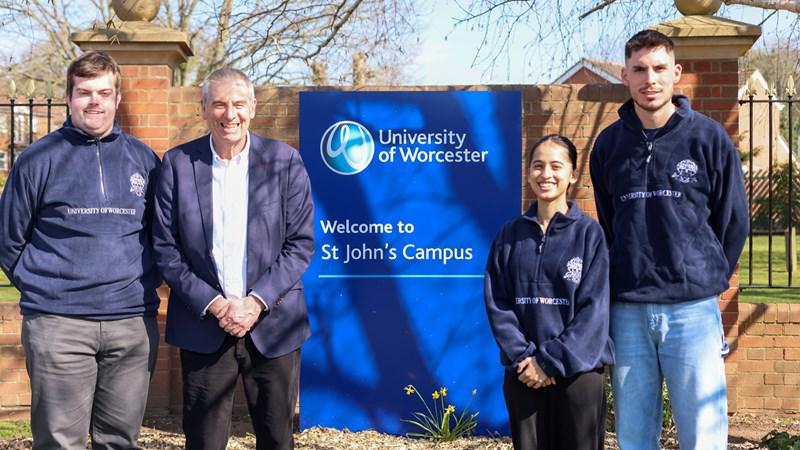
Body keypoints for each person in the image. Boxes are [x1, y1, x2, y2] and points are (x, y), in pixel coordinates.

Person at [589, 29, 748, 450]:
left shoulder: (709, 138)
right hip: (628, 310)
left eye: (659, 68)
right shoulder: (607, 146)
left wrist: (704, 272)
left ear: (676, 73)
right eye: (639, 69)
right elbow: (609, 223)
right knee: (634, 435)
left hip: (692, 311)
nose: (650, 79)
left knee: (703, 435)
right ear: (624, 75)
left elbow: (733, 221)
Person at [0, 51, 161, 449]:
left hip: (130, 325)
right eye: (84, 92)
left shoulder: (144, 159)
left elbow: (161, 237)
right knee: (59, 441)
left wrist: (140, 286)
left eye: (104, 92)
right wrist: (46, 289)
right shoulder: (37, 159)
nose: (95, 101)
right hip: (59, 324)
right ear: (69, 97)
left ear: (117, 99)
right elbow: (9, 240)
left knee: (120, 441)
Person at [152, 68, 314, 450]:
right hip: (204, 324)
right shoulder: (177, 164)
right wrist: (216, 304)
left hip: (274, 325)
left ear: (253, 108)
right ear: (204, 108)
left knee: (277, 439)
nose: (230, 114)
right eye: (220, 104)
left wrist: (255, 302)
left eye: (238, 104)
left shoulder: (284, 162)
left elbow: (300, 243)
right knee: (204, 441)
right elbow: (164, 246)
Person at [484, 134, 614, 450]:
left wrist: (550, 361)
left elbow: (593, 310)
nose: (546, 174)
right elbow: (498, 302)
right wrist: (525, 357)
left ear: (572, 174)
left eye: (556, 166)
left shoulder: (589, 235)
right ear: (528, 172)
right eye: (538, 166)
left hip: (578, 372)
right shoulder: (509, 235)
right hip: (524, 372)